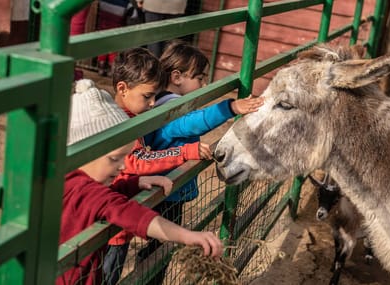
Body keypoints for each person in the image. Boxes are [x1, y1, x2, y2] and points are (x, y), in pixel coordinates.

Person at [114, 41, 264, 284]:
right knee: (158, 251)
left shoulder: (153, 106)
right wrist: (231, 107)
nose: (203, 85)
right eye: (200, 78)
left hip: (166, 187)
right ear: (177, 77)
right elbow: (193, 122)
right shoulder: (169, 108)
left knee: (156, 247)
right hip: (169, 191)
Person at [56, 78, 223, 285]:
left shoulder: (67, 180)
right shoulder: (86, 190)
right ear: (82, 153)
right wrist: (186, 236)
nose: (123, 166)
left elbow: (107, 195)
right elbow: (131, 214)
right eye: (114, 158)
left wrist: (134, 183)